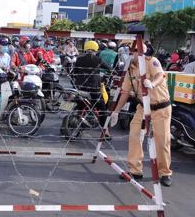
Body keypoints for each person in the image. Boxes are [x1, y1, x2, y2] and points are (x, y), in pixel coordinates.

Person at [110, 43, 172, 187]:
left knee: (162, 141)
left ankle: (165, 173)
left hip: (160, 108)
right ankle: (135, 170)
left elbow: (159, 75)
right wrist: (116, 111)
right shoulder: (130, 70)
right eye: (129, 52)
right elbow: (125, 92)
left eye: (133, 52)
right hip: (143, 108)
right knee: (135, 135)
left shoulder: (151, 62)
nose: (130, 55)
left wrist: (152, 83)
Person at [73, 41, 111, 138]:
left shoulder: (79, 59)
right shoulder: (98, 59)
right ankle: (105, 130)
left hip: (80, 87)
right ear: (96, 49)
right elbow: (109, 68)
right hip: (93, 88)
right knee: (102, 107)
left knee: (79, 104)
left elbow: (74, 71)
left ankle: (78, 119)